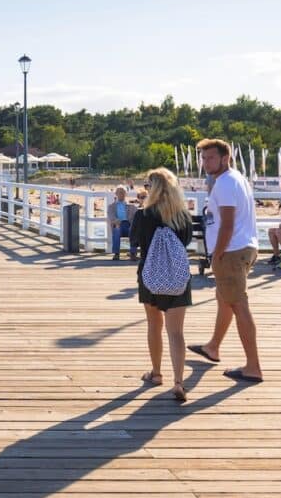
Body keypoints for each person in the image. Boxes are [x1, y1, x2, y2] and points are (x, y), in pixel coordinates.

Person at [187, 138, 263, 384]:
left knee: (239, 305)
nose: (205, 162)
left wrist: (217, 254)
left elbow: (227, 224)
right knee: (225, 299)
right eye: (203, 157)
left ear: (225, 158)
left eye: (210, 157)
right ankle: (213, 347)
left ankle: (253, 366)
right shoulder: (235, 179)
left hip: (231, 251)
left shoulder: (226, 183)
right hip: (243, 247)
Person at [130, 168, 193, 402]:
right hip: (177, 277)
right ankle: (179, 381)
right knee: (176, 332)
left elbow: (135, 241)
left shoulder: (143, 215)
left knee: (154, 325)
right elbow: (186, 242)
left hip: (151, 277)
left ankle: (156, 374)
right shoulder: (183, 216)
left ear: (152, 189)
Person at [106, 186, 138, 261]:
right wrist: (116, 223)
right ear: (116, 194)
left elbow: (135, 218)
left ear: (125, 194)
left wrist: (132, 225)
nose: (121, 194)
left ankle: (133, 253)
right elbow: (111, 217)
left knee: (133, 230)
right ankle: (116, 254)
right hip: (118, 224)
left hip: (128, 224)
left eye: (123, 192)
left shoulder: (131, 206)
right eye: (119, 192)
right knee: (117, 231)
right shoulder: (111, 206)